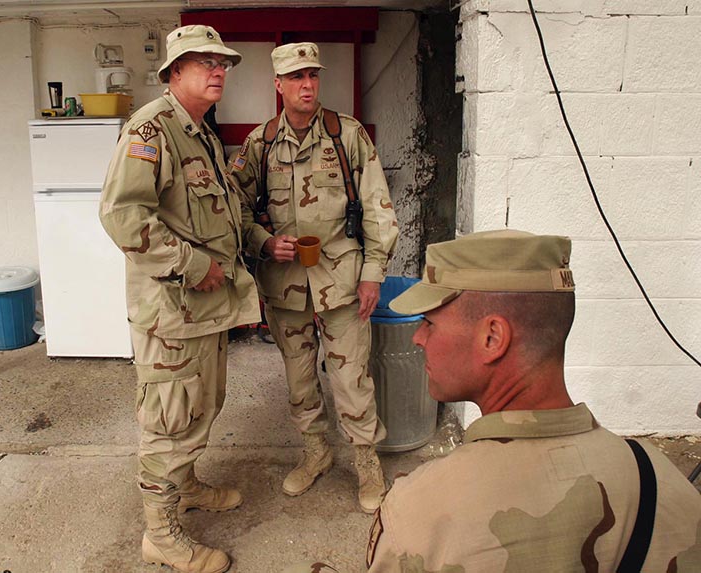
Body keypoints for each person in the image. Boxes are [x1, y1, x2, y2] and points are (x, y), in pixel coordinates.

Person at [366, 229, 701, 572]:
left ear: (492, 338)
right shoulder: (659, 481)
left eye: (429, 322)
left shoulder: (419, 514)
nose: (419, 338)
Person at [99, 25, 260, 573]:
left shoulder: (200, 133)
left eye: (223, 63)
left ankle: (186, 486)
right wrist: (194, 265)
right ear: (174, 71)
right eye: (204, 62)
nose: (218, 70)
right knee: (169, 423)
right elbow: (123, 216)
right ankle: (161, 535)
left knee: (200, 408)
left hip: (205, 310)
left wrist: (259, 244)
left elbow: (229, 214)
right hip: (172, 312)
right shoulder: (152, 129)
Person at [228, 42, 399, 513]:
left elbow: (380, 208)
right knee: (300, 379)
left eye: (313, 76)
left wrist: (372, 274)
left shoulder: (347, 136)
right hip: (285, 286)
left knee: (351, 379)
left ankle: (366, 461)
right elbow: (233, 209)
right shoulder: (260, 144)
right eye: (297, 77)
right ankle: (316, 453)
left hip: (342, 282)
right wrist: (263, 241)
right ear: (278, 85)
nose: (307, 85)